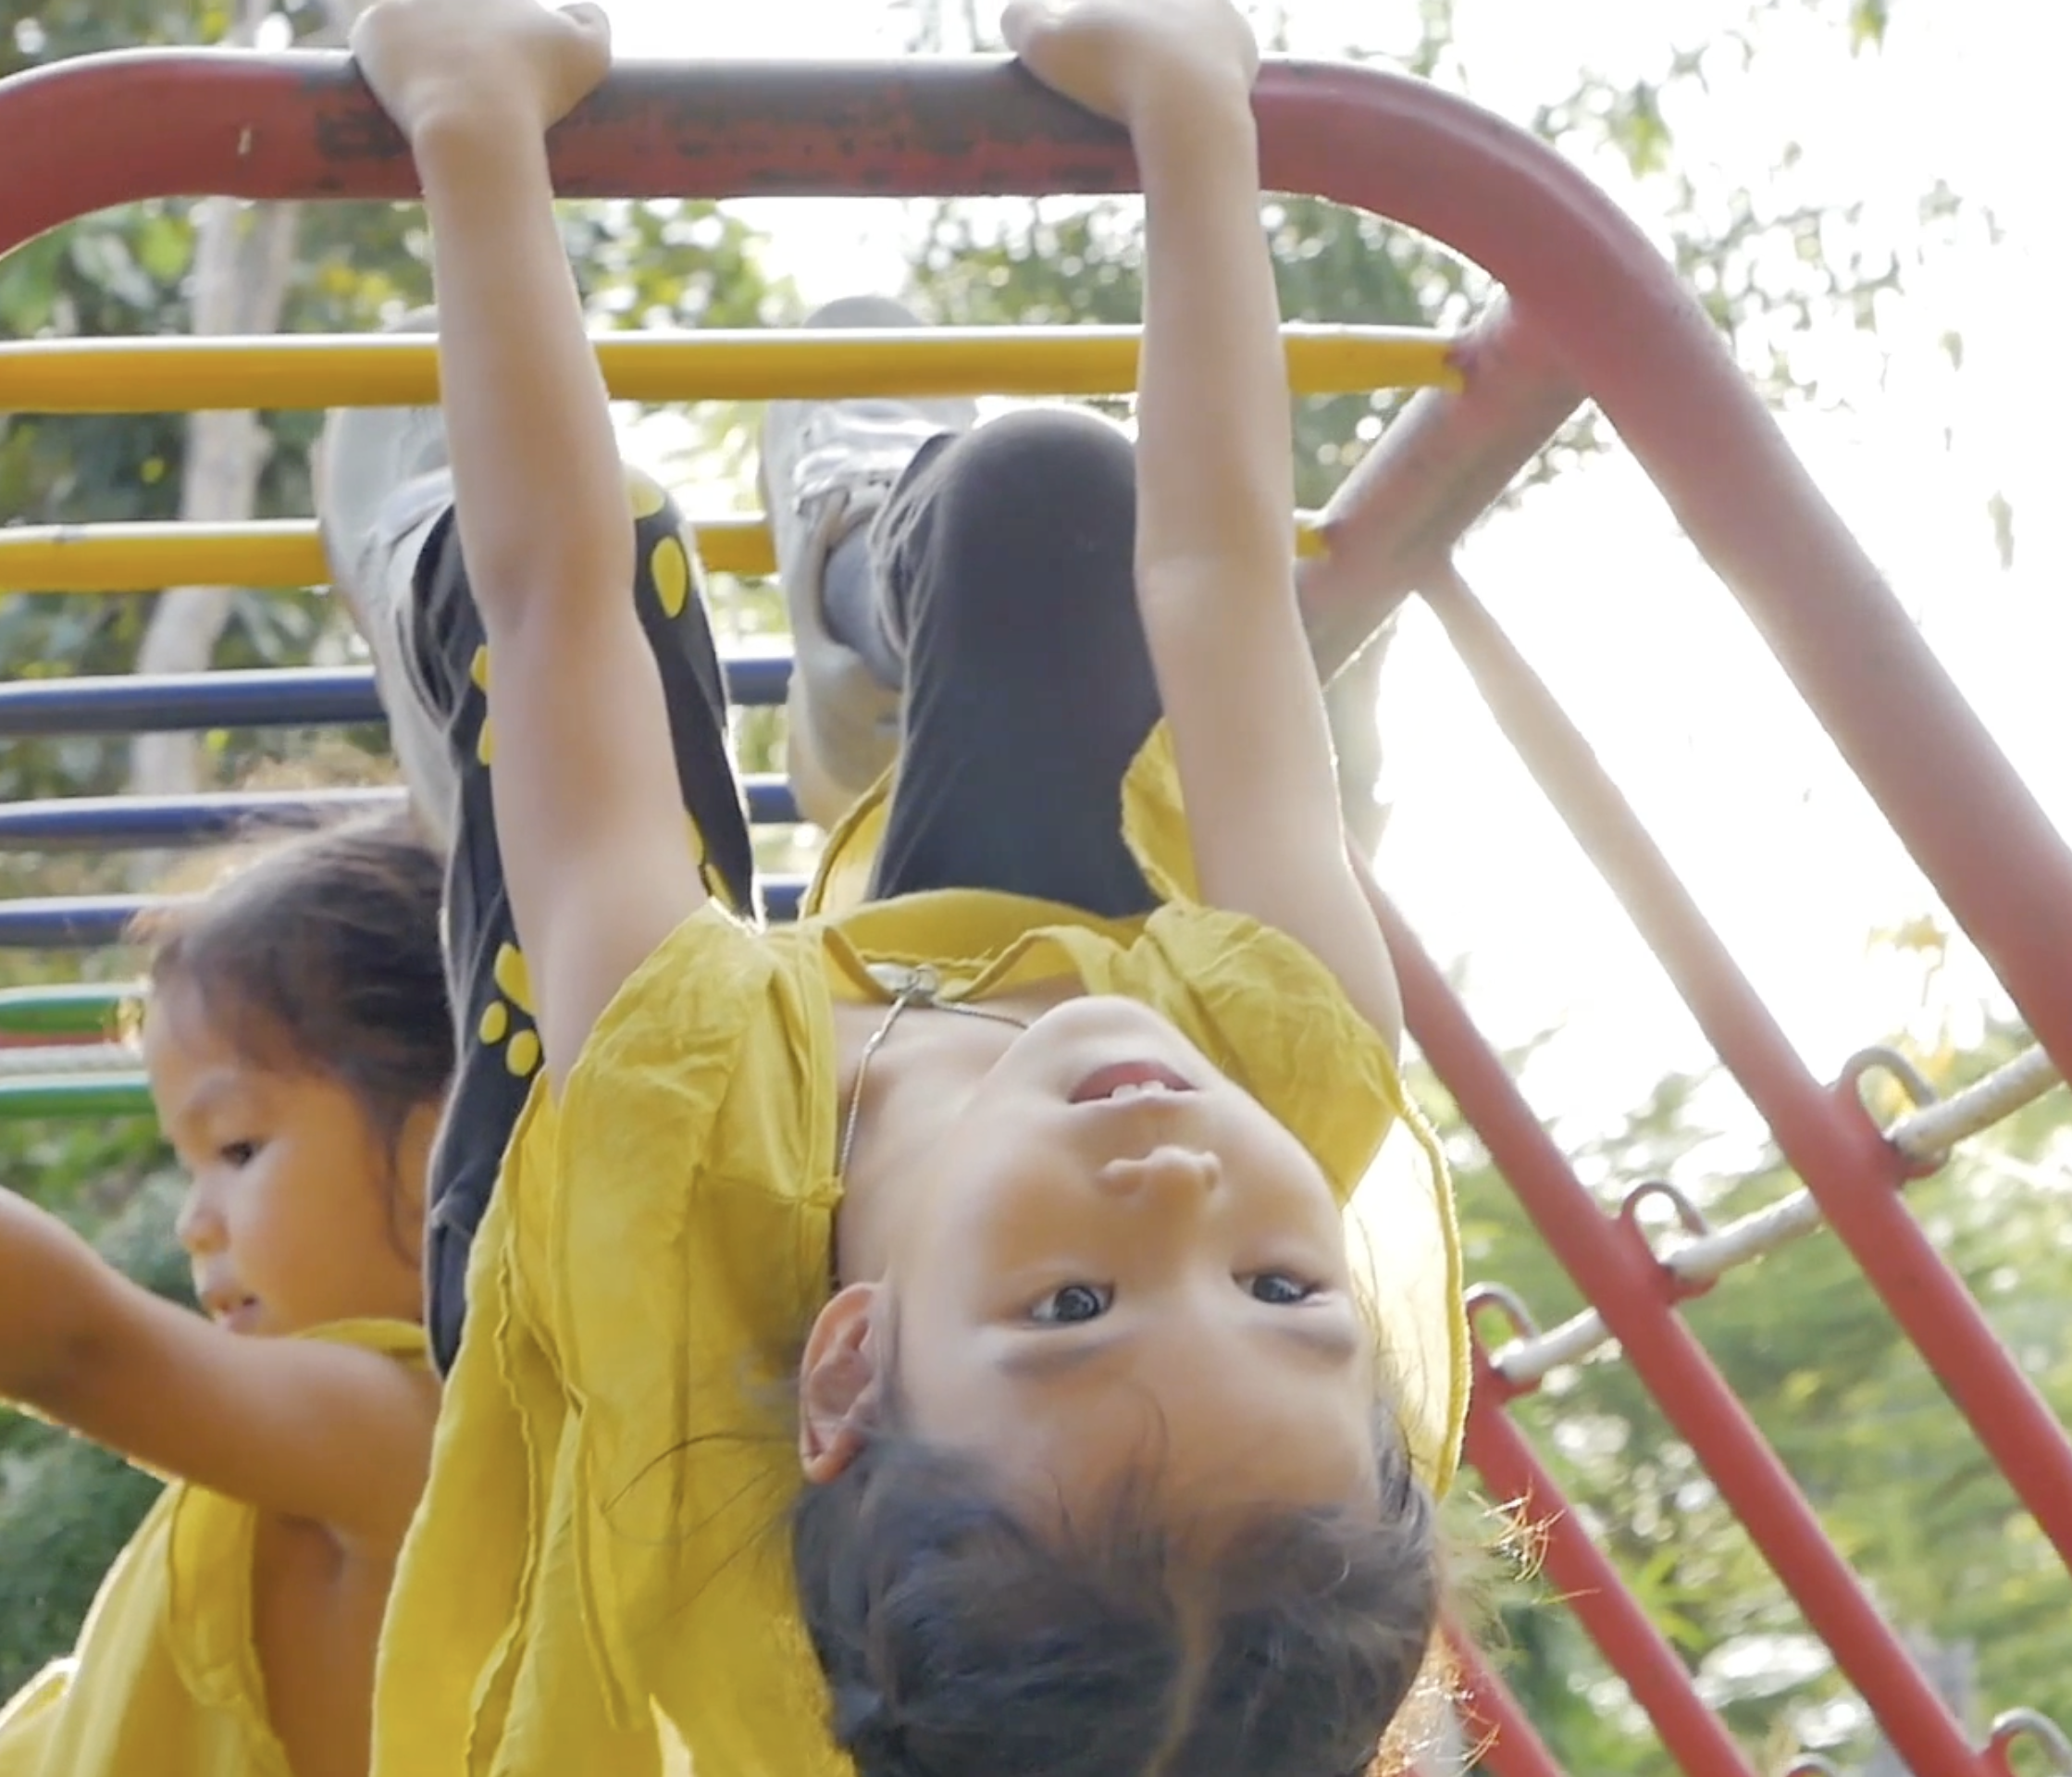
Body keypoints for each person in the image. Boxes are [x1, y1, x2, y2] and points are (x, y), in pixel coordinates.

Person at [329, 0, 1473, 1771]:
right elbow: (1222, 571)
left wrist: (472, 121)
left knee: (556, 609)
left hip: (618, 1293)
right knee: (1067, 492)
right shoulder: (1284, 1058)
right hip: (980, 989)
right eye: (1284, 1292)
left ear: (853, 1365)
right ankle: (881, 572)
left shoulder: (667, 1129)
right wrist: (1192, 103)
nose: (1171, 1183)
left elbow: (555, 589)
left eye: (1075, 1310)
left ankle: (392, 535)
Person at [0, 813, 453, 1777]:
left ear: (452, 1140)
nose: (192, 1223)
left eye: (238, 1147)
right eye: (188, 1162)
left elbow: (74, 1347)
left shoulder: (425, 1443)